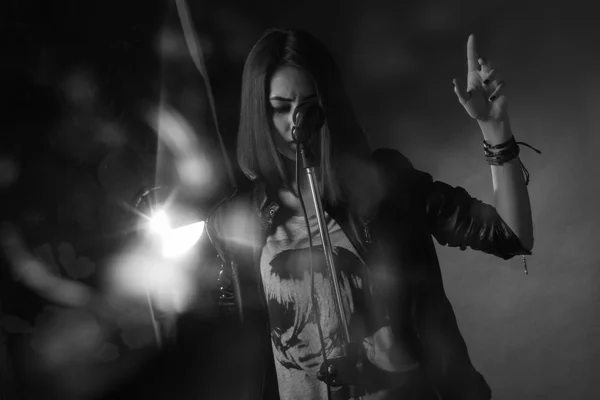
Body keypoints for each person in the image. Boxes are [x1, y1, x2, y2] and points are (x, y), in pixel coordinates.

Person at [161, 28, 535, 400]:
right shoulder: (235, 226)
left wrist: (494, 128)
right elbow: (229, 356)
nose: (296, 122)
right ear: (259, 114)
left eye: (308, 105)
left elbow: (510, 235)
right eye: (279, 107)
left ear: (328, 106)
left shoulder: (387, 186)